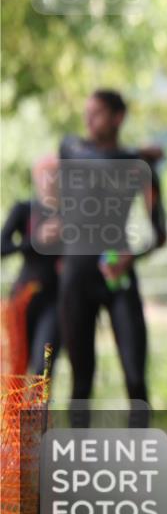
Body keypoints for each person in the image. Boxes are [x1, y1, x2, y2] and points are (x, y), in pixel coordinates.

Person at [58, 89, 167, 427]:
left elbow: (159, 232)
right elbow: (97, 162)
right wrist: (138, 155)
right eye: (87, 112)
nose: (89, 119)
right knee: (81, 380)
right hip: (76, 278)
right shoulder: (72, 149)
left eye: (99, 113)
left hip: (117, 278)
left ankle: (141, 464)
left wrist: (129, 258)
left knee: (135, 375)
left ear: (118, 118)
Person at [1, 155, 62, 375]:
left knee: (43, 365)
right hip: (23, 297)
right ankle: (14, 411)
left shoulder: (71, 214)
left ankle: (38, 410)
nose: (50, 181)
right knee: (16, 366)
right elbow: (3, 246)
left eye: (55, 176)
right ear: (36, 178)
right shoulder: (23, 210)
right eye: (45, 176)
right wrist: (35, 241)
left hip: (55, 299)